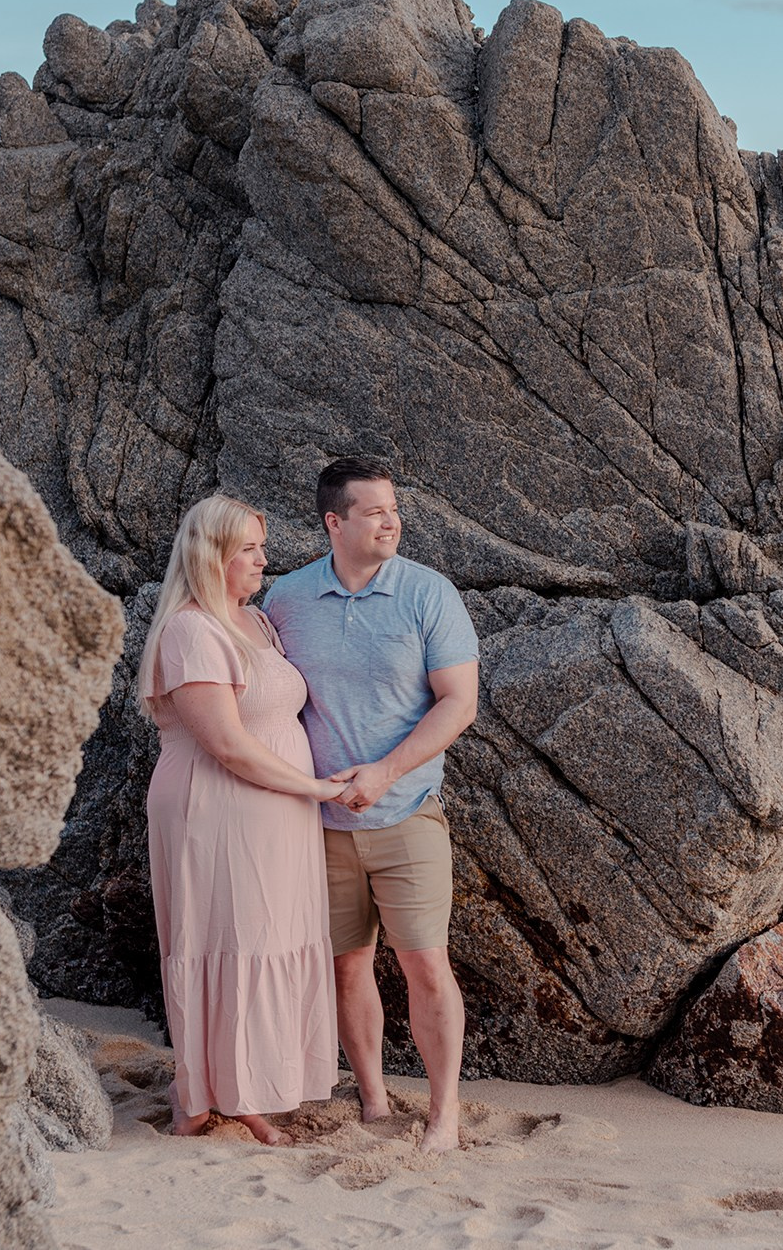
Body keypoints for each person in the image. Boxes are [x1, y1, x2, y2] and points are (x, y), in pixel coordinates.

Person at [265, 456, 480, 1155]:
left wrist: (386, 771)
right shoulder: (286, 601)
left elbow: (460, 701)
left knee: (425, 963)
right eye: (374, 510)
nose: (391, 520)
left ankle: (444, 1114)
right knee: (346, 965)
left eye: (394, 509)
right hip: (318, 824)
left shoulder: (428, 593)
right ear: (335, 521)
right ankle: (376, 1097)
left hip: (406, 812)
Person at [137, 493, 344, 1145]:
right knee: (229, 940)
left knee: (270, 934)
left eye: (260, 546)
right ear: (211, 555)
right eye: (248, 549)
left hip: (276, 810)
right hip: (217, 808)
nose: (263, 558)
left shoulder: (256, 623)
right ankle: (198, 1094)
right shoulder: (192, 631)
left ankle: (246, 1086)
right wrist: (314, 784)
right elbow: (225, 743)